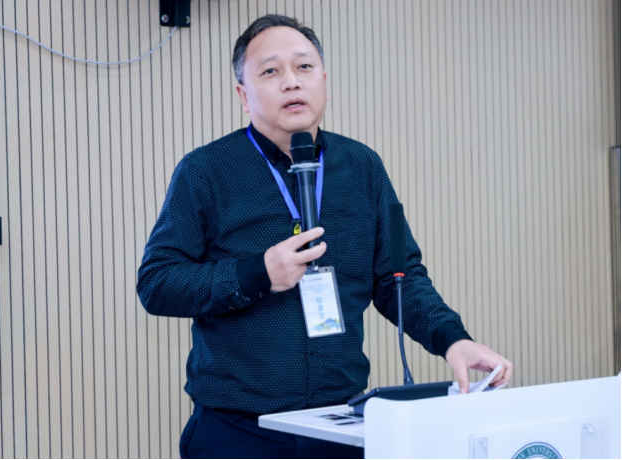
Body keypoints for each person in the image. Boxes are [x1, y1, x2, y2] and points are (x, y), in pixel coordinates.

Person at [137, 14, 514, 460]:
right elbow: (158, 282)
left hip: (340, 425)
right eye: (270, 71)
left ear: (325, 83)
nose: (291, 81)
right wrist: (258, 273)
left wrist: (453, 338)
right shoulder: (205, 171)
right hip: (238, 432)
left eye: (304, 67)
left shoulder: (362, 166)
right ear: (243, 95)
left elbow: (400, 278)